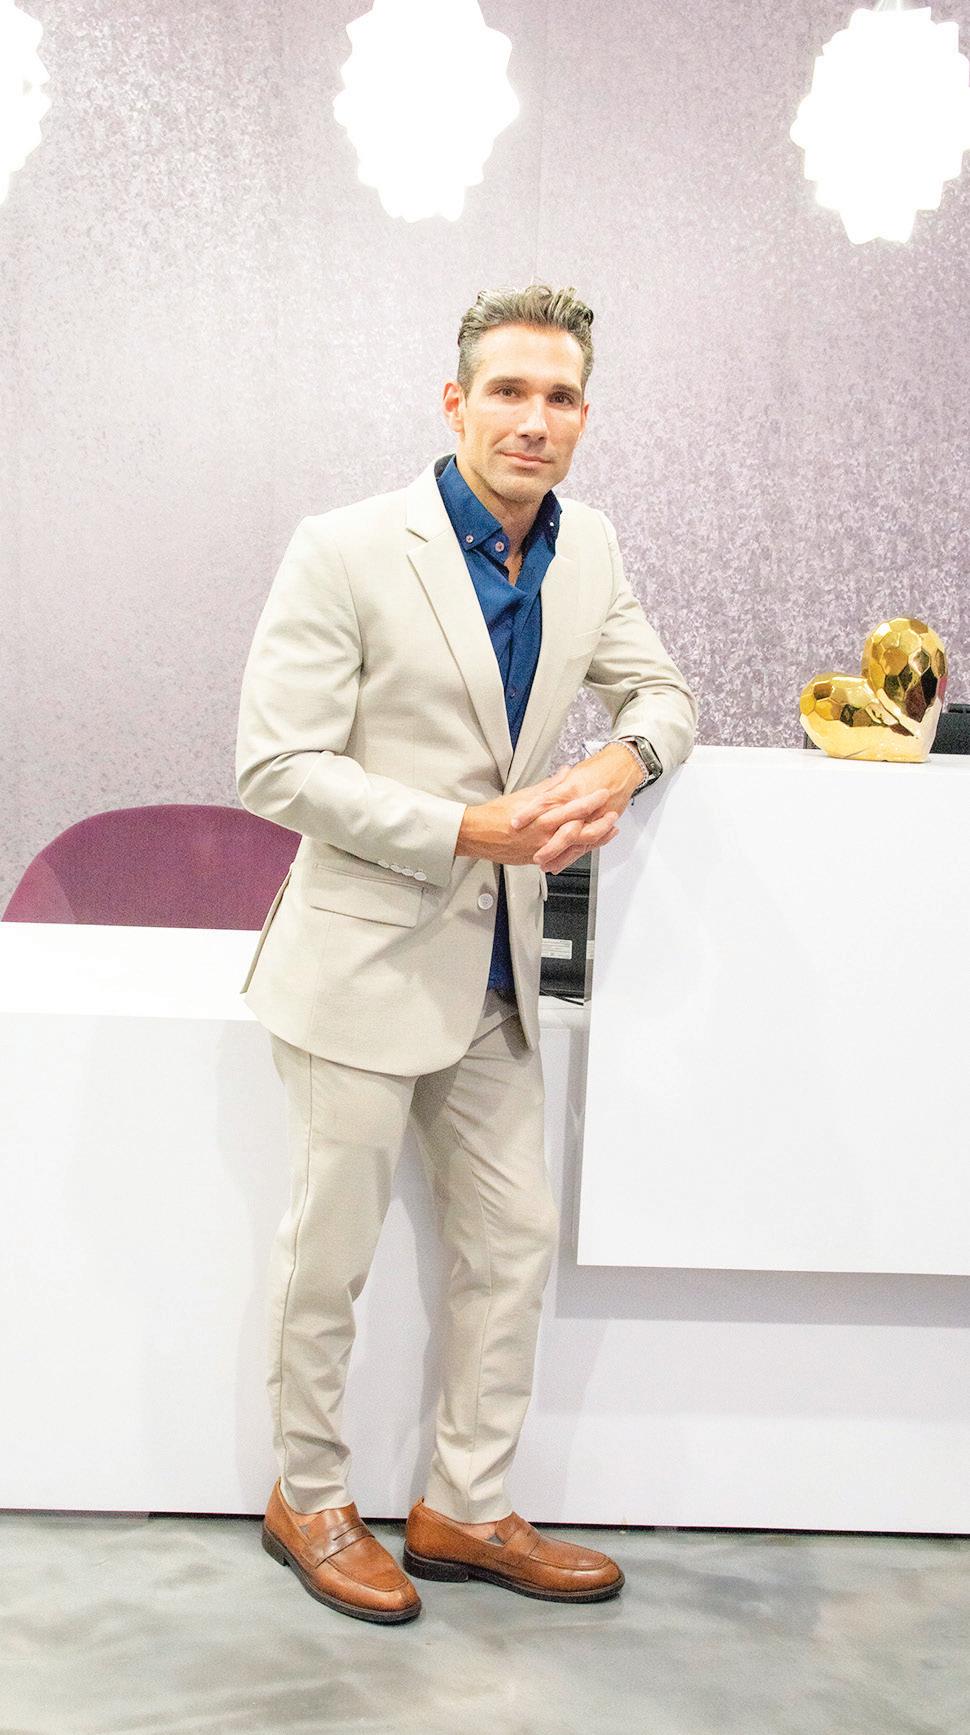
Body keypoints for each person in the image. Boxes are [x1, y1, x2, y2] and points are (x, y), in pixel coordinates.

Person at [234, 283, 698, 1624]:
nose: (533, 420)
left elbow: (662, 692)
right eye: (508, 391)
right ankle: (309, 1497)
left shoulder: (587, 547)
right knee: (329, 1258)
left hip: (496, 974)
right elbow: (276, 765)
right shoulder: (344, 547)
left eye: (559, 397)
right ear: (455, 402)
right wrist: (463, 828)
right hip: (360, 962)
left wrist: (620, 760)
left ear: (584, 416)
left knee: (513, 1243)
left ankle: (465, 1506)